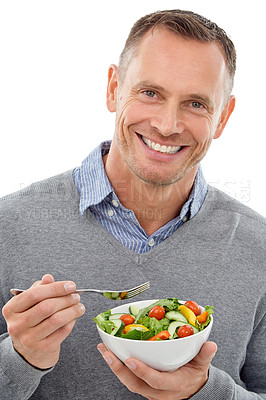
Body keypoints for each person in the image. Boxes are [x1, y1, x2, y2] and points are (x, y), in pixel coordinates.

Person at [0, 8, 265, 400]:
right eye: (150, 93)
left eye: (195, 103)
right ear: (113, 88)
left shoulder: (259, 248)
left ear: (223, 117)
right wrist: (20, 358)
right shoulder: (9, 227)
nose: (167, 124)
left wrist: (206, 391)